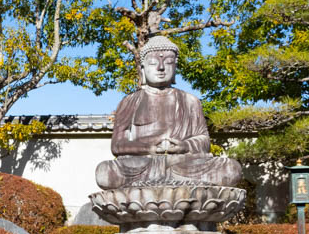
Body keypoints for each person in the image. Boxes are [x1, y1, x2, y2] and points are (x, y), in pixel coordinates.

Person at [96, 35, 242, 190]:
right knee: (105, 172)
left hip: (182, 163)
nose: (160, 67)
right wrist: (149, 149)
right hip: (143, 164)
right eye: (153, 63)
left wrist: (184, 146)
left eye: (168, 62)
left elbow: (204, 140)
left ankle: (164, 179)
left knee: (230, 169)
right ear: (143, 67)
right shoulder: (131, 101)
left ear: (175, 66)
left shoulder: (190, 101)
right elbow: (118, 145)